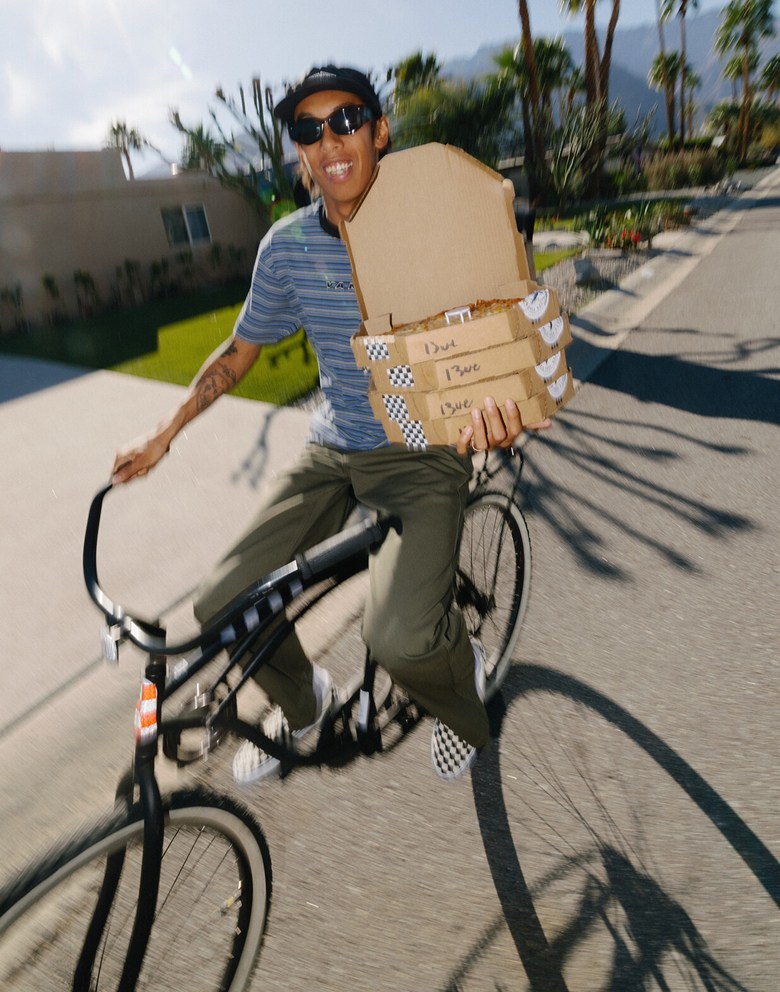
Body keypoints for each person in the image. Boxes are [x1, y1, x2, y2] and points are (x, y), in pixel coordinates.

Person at [113, 65, 546, 783]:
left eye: (345, 120)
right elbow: (239, 351)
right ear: (298, 152)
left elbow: (495, 329)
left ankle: (460, 686)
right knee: (222, 602)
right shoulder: (285, 247)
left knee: (403, 641)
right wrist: (166, 431)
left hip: (425, 453)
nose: (328, 140)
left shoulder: (432, 222)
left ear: (380, 132)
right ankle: (307, 702)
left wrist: (502, 410)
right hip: (333, 448)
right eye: (307, 130)